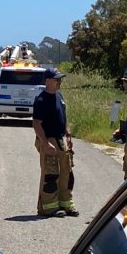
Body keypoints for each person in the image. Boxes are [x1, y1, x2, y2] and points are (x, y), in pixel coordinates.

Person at [32, 67, 78, 218]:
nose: (60, 81)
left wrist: (68, 134)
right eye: (56, 79)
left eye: (60, 78)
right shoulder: (41, 100)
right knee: (50, 175)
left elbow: (62, 117)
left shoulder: (59, 96)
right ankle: (48, 208)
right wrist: (45, 143)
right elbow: (37, 124)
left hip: (61, 139)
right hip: (49, 140)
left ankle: (66, 204)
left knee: (66, 172)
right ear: (47, 81)